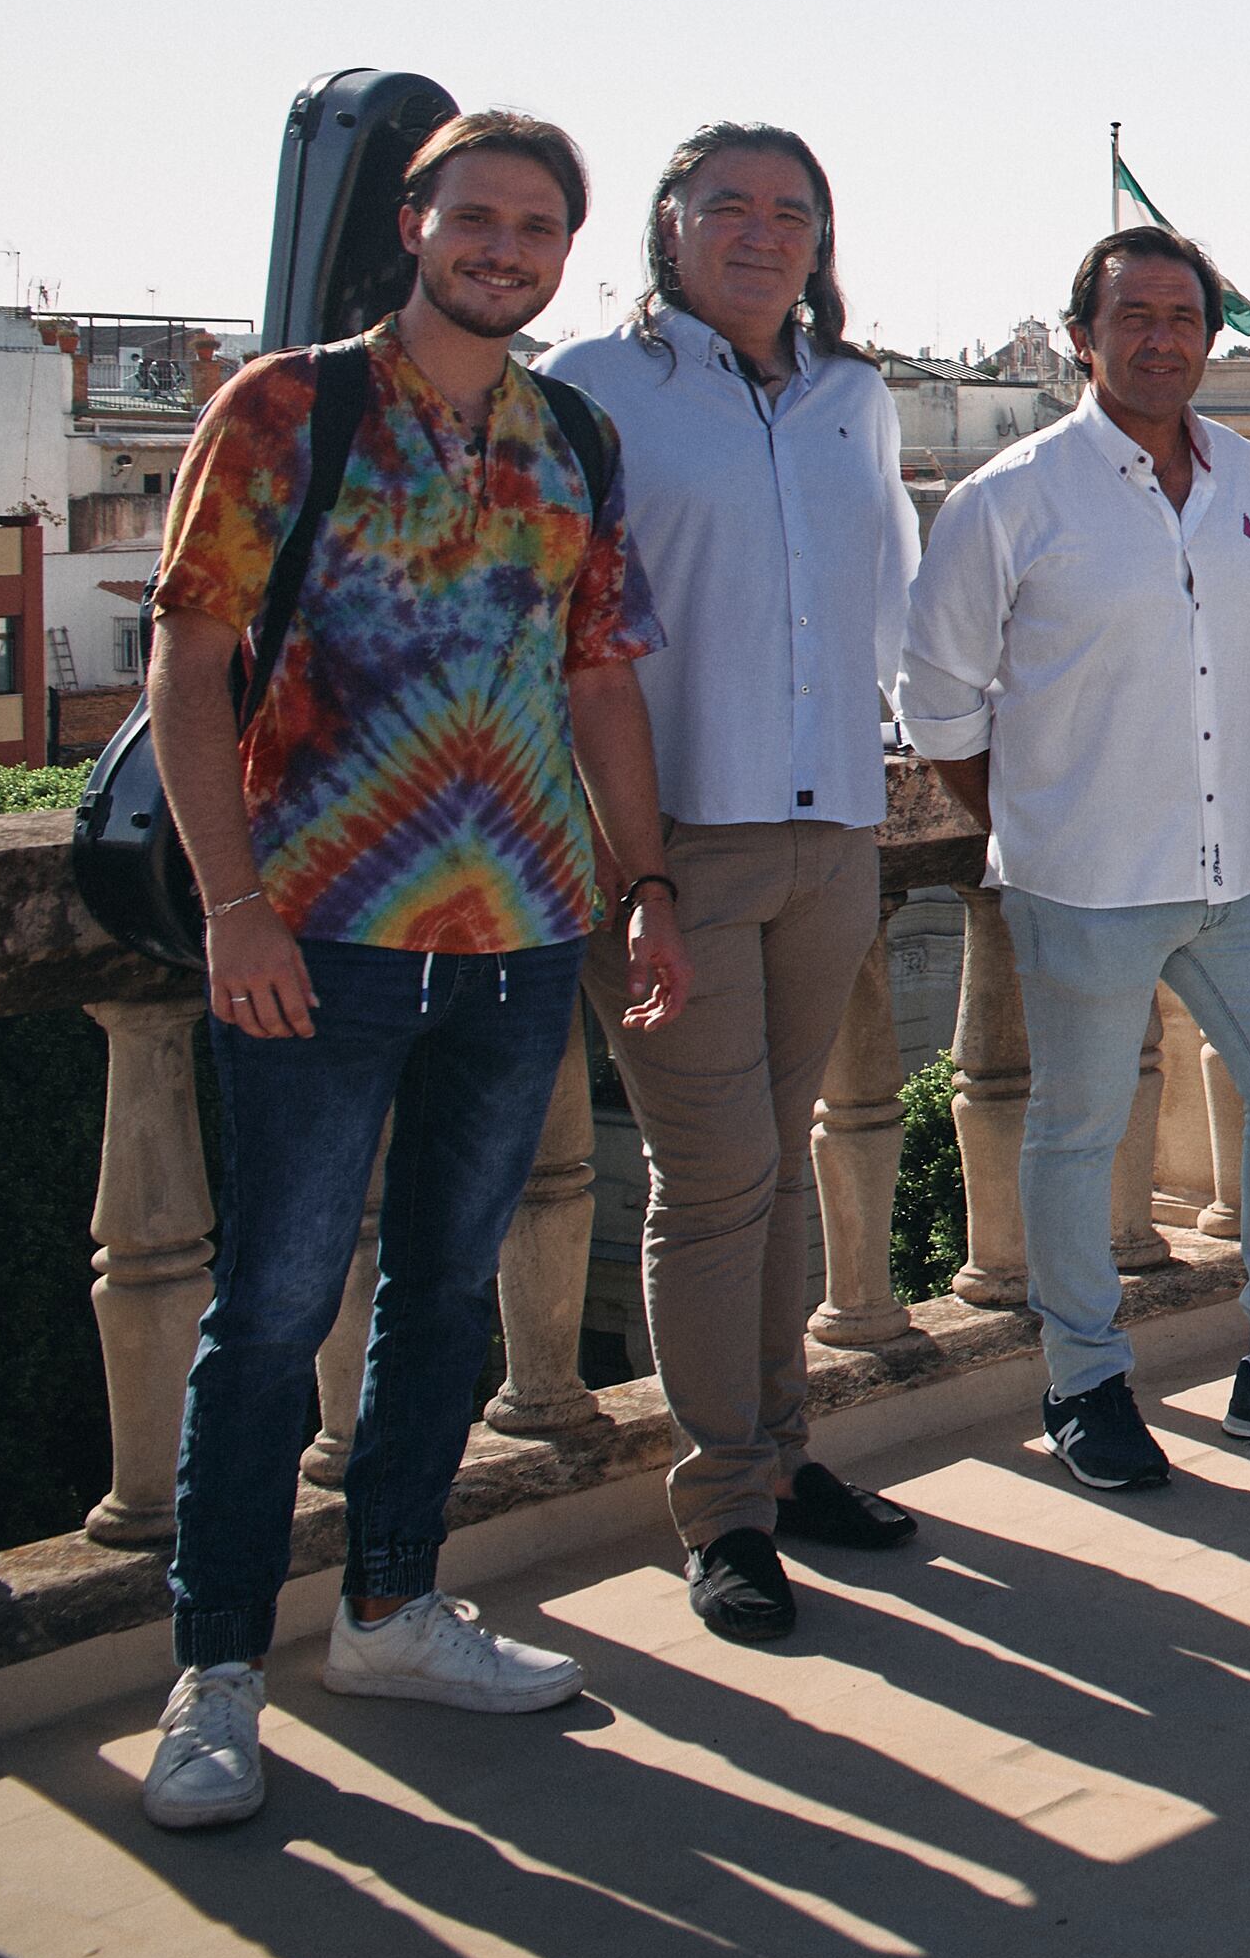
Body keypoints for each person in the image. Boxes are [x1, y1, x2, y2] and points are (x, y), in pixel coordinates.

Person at [132, 111, 685, 1834]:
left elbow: (601, 680)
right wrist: (234, 906)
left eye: (537, 224)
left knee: (447, 1297)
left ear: (565, 251)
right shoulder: (288, 407)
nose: (505, 246)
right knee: (275, 1307)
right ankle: (216, 1671)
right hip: (321, 930)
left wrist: (643, 881)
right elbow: (190, 652)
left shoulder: (573, 432)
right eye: (479, 216)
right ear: (415, 221)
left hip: (520, 939)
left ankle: (387, 1609)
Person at [907, 225, 1250, 1496]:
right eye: (1132, 314)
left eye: (1183, 316)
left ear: (1208, 335)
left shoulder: (1248, 473)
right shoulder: (1009, 497)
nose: (1159, 337)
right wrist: (1039, 814)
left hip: (1242, 863)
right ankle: (1083, 1381)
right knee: (1080, 1135)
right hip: (1084, 879)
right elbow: (937, 704)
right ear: (1083, 336)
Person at [543, 122, 928, 1642]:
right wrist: (630, 862)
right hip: (668, 850)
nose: (765, 234)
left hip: (830, 831)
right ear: (668, 225)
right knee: (709, 1184)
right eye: (732, 208)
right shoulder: (595, 390)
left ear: (823, 239)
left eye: (795, 211)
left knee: (775, 1162)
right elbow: (561, 633)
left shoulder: (854, 399)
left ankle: (781, 1460)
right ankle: (722, 1507)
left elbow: (890, 600)